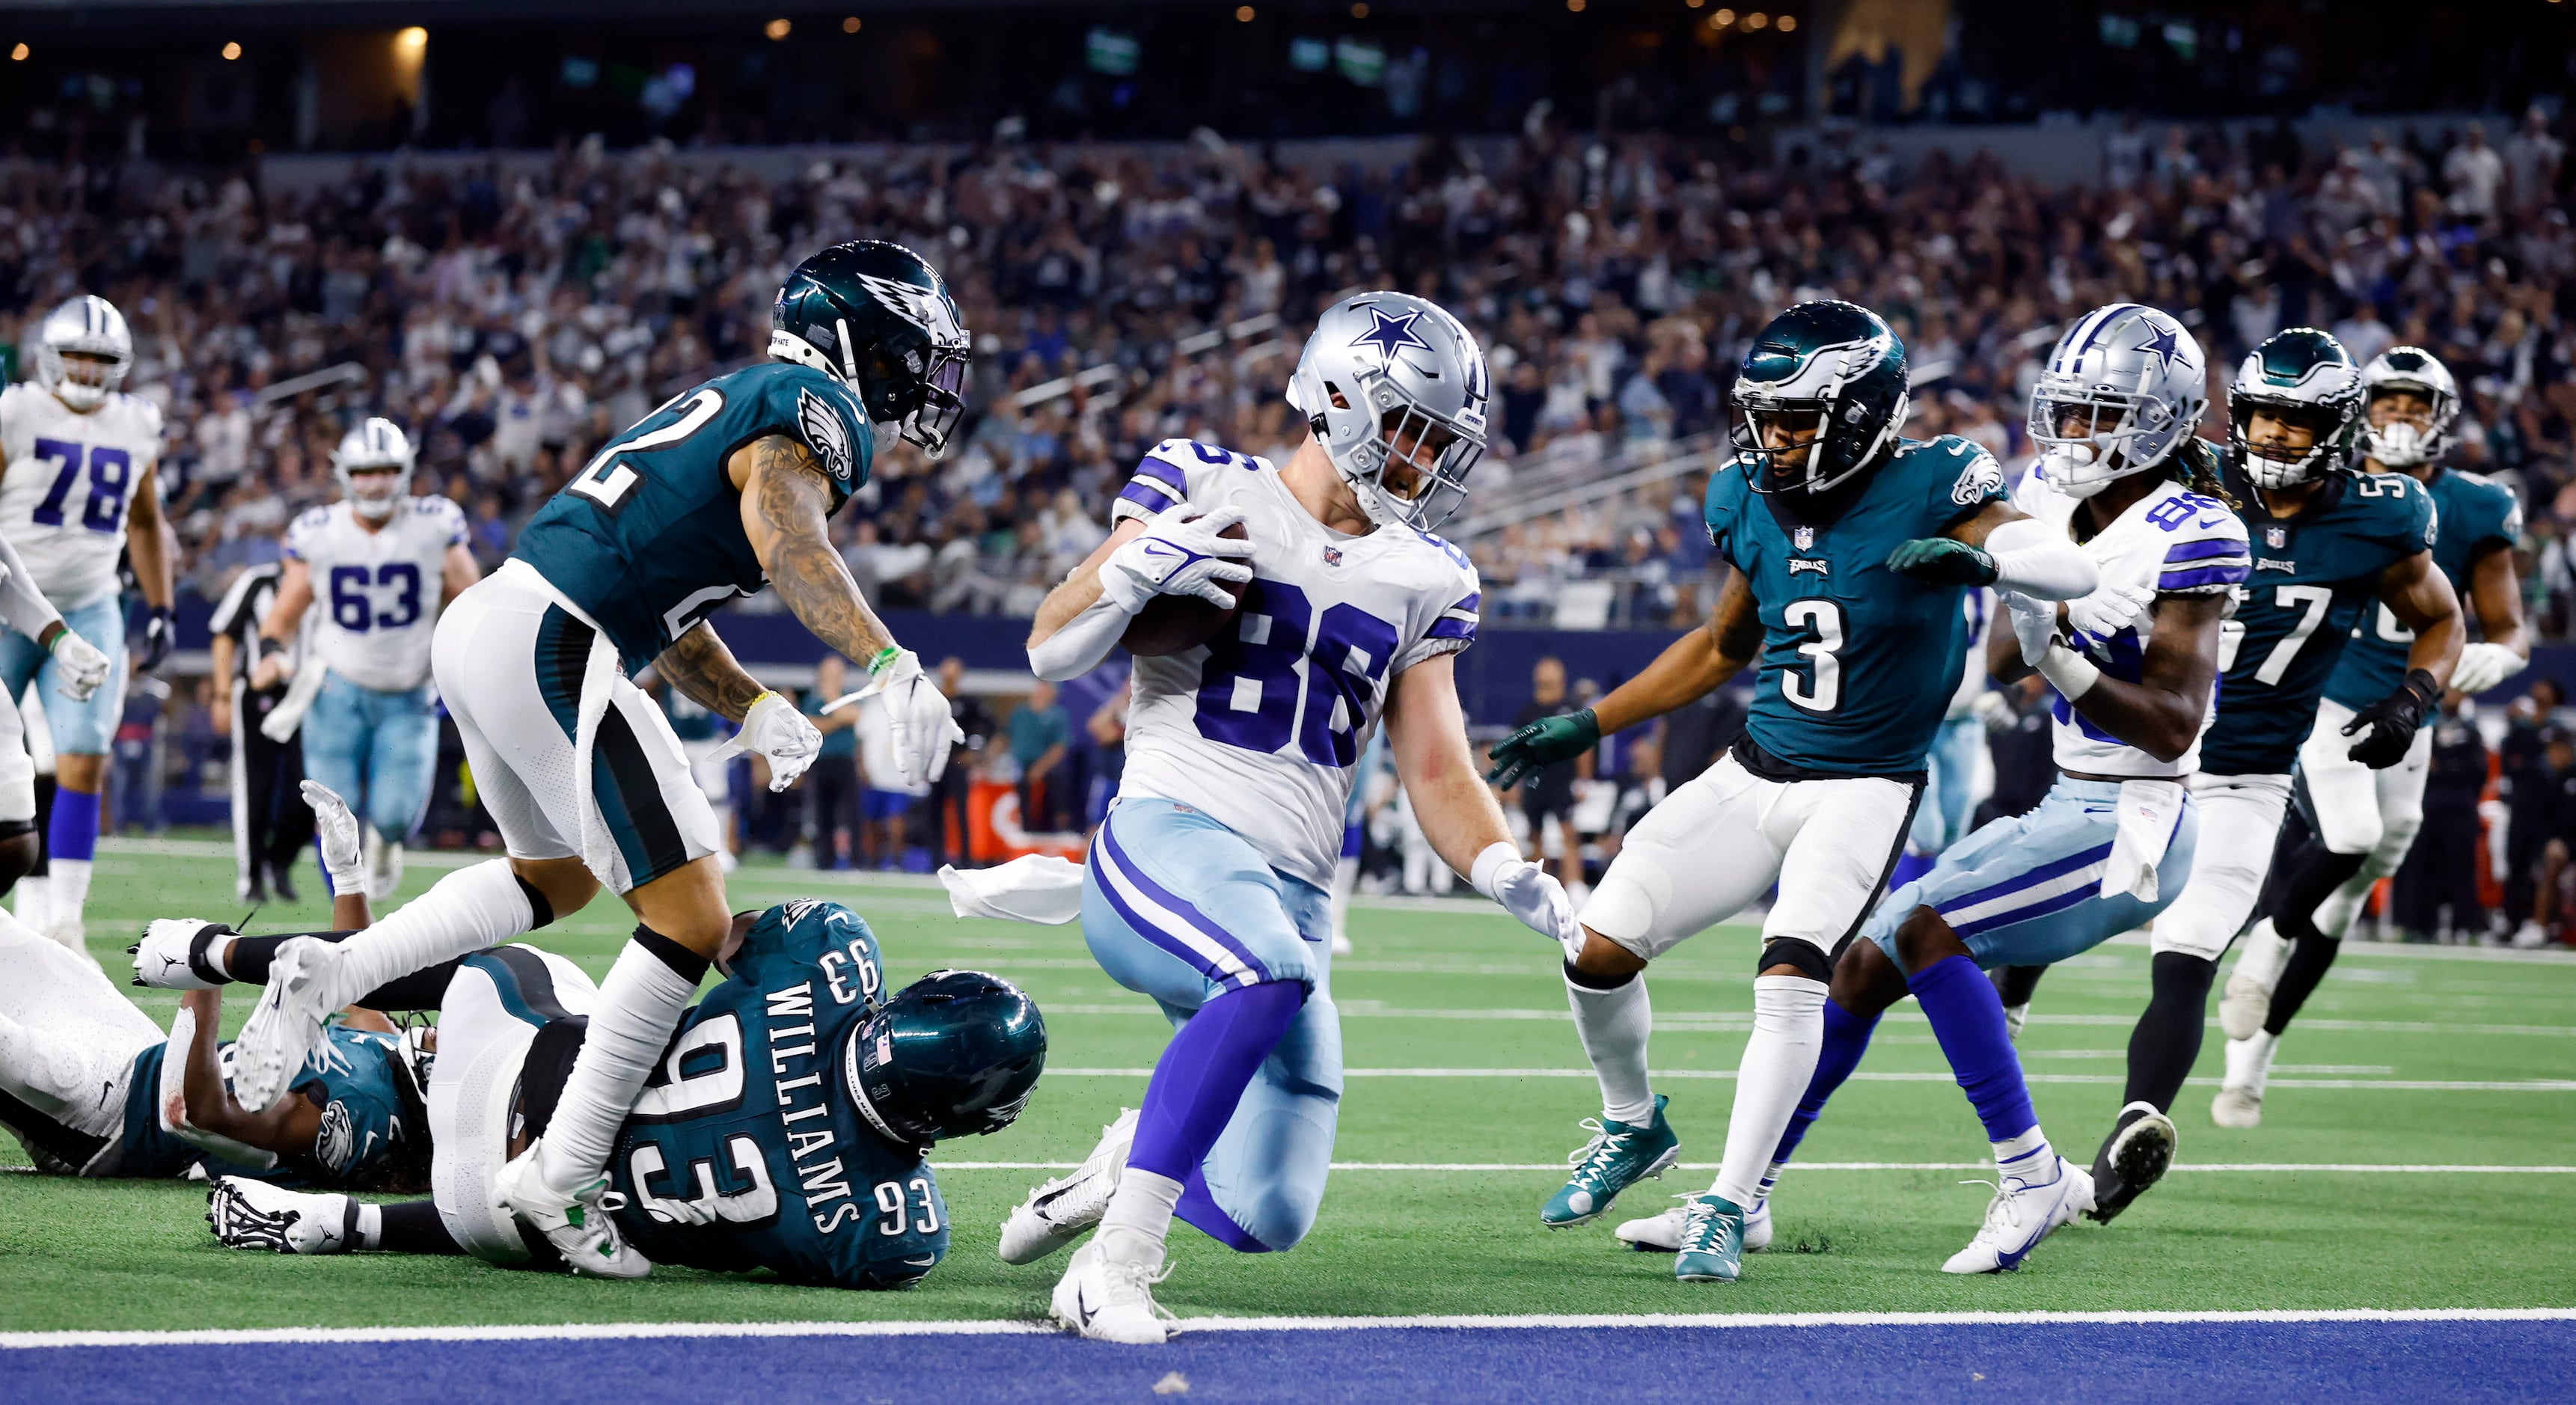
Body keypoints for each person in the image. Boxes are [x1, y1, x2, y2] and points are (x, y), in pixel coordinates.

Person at [218, 240, 970, 1279]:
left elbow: (672, 609)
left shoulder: (739, 398)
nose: (923, 373)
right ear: (861, 333)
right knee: (692, 915)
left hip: (499, 622)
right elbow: (788, 541)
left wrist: (751, 708)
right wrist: (888, 661)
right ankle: (559, 1177)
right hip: (556, 639)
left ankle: (337, 969)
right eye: (913, 347)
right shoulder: (811, 405)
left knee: (556, 877)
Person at [1615, 304, 2242, 1274]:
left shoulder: (2195, 528)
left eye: (2098, 415)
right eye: (2066, 412)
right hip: (2065, 800)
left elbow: (2170, 723)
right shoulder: (2040, 494)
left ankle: (2029, 1173)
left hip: (2136, 820)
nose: (2071, 435)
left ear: (2157, 420)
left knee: (1919, 930)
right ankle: (1742, 1197)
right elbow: (2001, 655)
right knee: (1861, 963)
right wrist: (2020, 597)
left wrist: (2064, 657)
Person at [999, 290, 1575, 1342]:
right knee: (1260, 969)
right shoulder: (1201, 480)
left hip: (1294, 894)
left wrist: (1498, 863)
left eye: (1441, 444)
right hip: (1169, 835)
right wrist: (1123, 578)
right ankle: (1109, 1267)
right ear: (1342, 393)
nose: (1423, 464)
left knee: (1270, 1209)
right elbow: (1046, 646)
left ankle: (1133, 1154)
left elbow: (1436, 762)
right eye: (1411, 431)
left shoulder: (1428, 573)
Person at [1483, 299, 2096, 1285]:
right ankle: (1634, 1126)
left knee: (1787, 975)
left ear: (1861, 414)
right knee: (1594, 947)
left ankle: (1729, 1203)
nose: (1774, 438)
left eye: (1797, 419)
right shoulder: (1744, 495)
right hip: (1750, 770)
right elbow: (1725, 645)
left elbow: (2069, 568)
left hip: (1861, 786)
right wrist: (1591, 720)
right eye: (1763, 417)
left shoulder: (1934, 479)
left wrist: (1984, 557)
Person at [2067, 327, 2462, 1223]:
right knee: (2051, 915)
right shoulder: (2184, 477)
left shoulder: (2381, 513)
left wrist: (2414, 697)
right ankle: (2009, 1000)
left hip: (2247, 774)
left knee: (2188, 953)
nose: (2276, 435)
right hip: (2142, 754)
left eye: (2296, 420)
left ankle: (2137, 1124)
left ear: (2335, 425)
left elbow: (2440, 619)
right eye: (2260, 415)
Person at [186, 899, 1044, 1290]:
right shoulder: (893, 1231)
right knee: (650, 1216)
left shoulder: (828, 951)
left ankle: (293, 970)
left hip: (506, 1064)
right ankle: (345, 1223)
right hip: (495, 1226)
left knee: (547, 965)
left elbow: (707, 929)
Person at [2212, 348, 2527, 1126]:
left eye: (2414, 406)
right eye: (2385, 403)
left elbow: (2500, 627)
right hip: (2328, 688)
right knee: (2351, 832)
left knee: (2349, 898)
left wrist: (2494, 656)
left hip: (2408, 706)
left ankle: (2253, 1058)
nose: (2397, 418)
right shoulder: (2334, 492)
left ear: (2441, 419)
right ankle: (2262, 942)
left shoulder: (2468, 507)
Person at [7, 782, 420, 1189]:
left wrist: (205, 970)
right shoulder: (390, 1051)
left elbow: (198, 1114)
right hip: (140, 1054)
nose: (446, 1029)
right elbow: (360, 978)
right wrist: (347, 874)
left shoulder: (358, 1115)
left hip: (113, 1123)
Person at [0, 294, 175, 953]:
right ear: (49, 354)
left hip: (90, 603)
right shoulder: (17, 411)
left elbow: (146, 521)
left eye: (100, 357)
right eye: (75, 352)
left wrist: (160, 606)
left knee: (85, 759)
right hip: (8, 600)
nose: (85, 367)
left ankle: (64, 921)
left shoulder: (135, 424)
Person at [248, 419, 483, 901]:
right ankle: (349, 918)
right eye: (364, 472)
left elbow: (471, 602)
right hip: (337, 686)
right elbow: (287, 608)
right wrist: (272, 652)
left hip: (410, 690)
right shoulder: (320, 531)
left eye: (386, 470)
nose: (375, 482)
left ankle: (386, 845)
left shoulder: (435, 524)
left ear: (406, 471)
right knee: (336, 813)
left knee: (395, 816)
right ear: (344, 475)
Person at [208, 560, 313, 903]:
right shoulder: (258, 581)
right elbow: (225, 635)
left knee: (310, 790)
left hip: (309, 694)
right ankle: (251, 877)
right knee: (255, 788)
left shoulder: (329, 577)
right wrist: (222, 694)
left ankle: (279, 862)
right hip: (258, 694)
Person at [1511, 657, 1588, 890]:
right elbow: (1517, 749)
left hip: (1563, 781)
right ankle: (1537, 887)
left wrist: (1584, 780)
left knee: (1569, 834)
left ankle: (1574, 886)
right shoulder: (1528, 712)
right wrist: (1515, 782)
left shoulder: (1571, 708)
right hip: (1536, 781)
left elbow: (1585, 746)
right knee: (1535, 834)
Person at [801, 655, 861, 869]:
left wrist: (832, 698)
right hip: (821, 761)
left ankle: (856, 861)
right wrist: (838, 720)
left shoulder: (849, 696)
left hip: (845, 761)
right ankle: (825, 861)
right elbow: (810, 726)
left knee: (852, 813)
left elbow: (854, 717)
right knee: (822, 813)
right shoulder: (813, 699)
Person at [1008, 679, 1071, 833]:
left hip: (1046, 766)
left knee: (1057, 784)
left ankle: (1060, 827)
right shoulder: (1021, 713)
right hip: (1020, 765)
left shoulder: (1057, 715)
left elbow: (1059, 747)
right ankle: (1025, 829)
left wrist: (1040, 768)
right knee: (1020, 787)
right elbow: (1005, 736)